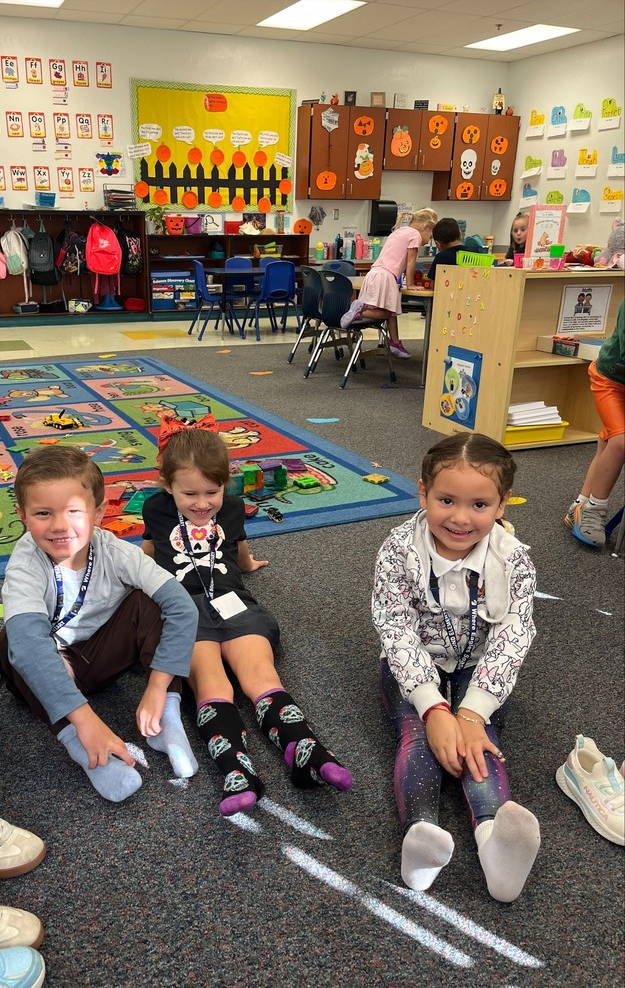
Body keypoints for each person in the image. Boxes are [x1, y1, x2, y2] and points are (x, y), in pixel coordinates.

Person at [141, 416, 353, 817]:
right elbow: (150, 550)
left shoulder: (234, 507)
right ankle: (237, 770)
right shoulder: (156, 509)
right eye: (190, 493)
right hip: (183, 608)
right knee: (212, 683)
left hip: (232, 599)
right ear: (167, 485)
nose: (202, 503)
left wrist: (248, 564)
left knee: (262, 677)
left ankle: (304, 749)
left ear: (225, 484)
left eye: (212, 492)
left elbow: (237, 543)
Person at [372, 432, 541, 903]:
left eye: (479, 505)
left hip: (480, 671)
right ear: (422, 492)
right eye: (446, 500)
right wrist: (433, 708)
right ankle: (420, 836)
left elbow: (513, 636)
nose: (461, 518)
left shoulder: (514, 559)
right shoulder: (398, 549)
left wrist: (470, 714)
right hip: (413, 667)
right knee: (417, 736)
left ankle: (493, 842)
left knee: (479, 744)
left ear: (503, 504)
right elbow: (395, 628)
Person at [0, 446, 200, 803]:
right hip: (45, 676)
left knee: (151, 601)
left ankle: (165, 721)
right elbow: (27, 649)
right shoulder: (26, 565)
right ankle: (83, 748)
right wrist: (87, 723)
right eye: (43, 513)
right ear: (22, 515)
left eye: (74, 511)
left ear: (99, 512)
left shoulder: (117, 552)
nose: (59, 526)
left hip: (101, 659)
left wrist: (157, 688)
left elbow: (182, 607)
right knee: (17, 641)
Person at [565, 299, 625, 548]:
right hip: (611, 380)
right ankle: (594, 511)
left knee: (610, 442)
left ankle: (580, 506)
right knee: (620, 442)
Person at [355, 207, 438, 359]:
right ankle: (359, 311)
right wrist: (410, 284)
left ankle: (395, 342)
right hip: (385, 276)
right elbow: (411, 261)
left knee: (391, 311)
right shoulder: (415, 234)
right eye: (430, 236)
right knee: (388, 312)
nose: (428, 241)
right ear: (426, 226)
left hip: (374, 273)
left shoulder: (399, 231)